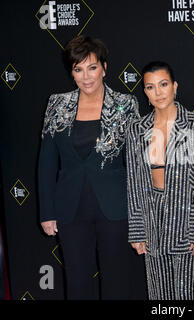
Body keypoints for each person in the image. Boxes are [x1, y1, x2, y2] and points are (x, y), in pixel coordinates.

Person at [38, 35, 146, 300]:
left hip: (115, 209)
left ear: (104, 68)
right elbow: (47, 161)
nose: (86, 76)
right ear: (72, 72)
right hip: (70, 208)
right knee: (77, 283)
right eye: (78, 69)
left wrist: (140, 216)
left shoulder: (125, 105)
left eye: (92, 67)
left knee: (117, 282)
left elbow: (136, 163)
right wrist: (47, 211)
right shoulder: (57, 104)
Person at [127, 61, 194, 300]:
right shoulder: (136, 129)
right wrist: (137, 230)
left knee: (192, 295)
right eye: (151, 87)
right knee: (160, 296)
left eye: (164, 84)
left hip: (188, 221)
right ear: (145, 92)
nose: (159, 92)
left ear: (175, 86)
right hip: (153, 222)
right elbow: (134, 181)